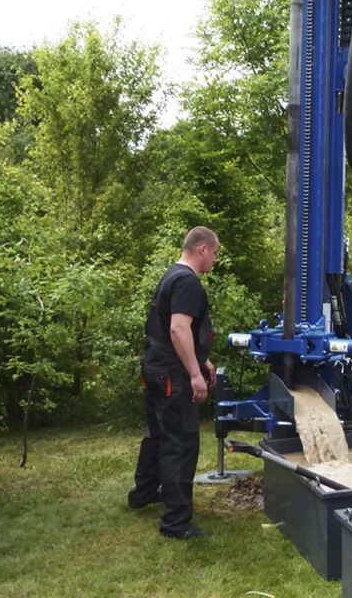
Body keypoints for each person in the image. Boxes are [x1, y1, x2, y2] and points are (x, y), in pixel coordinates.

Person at [128, 226, 220, 539]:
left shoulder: (170, 275)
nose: (215, 260)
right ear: (203, 249)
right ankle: (176, 521)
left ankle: (143, 492)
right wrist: (195, 374)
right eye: (215, 253)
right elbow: (178, 329)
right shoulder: (188, 282)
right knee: (180, 443)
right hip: (173, 375)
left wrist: (202, 359)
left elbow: (167, 326)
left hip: (155, 367)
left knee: (155, 433)